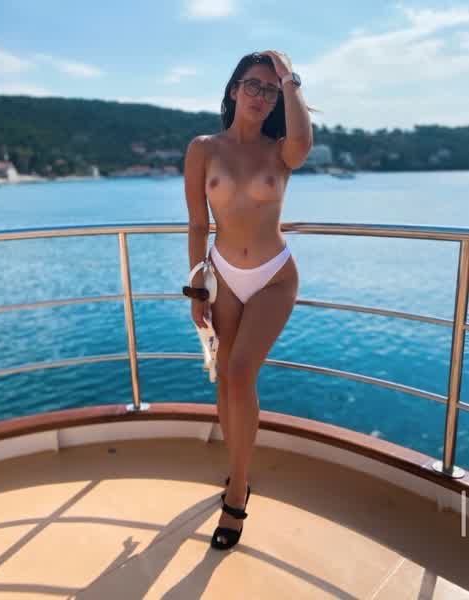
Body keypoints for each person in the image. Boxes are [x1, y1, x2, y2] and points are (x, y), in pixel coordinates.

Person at [183, 50, 315, 550]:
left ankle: (237, 490)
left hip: (273, 277)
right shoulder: (203, 148)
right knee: (226, 381)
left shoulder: (282, 150)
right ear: (234, 89)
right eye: (253, 85)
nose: (261, 96)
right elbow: (198, 224)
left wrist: (290, 77)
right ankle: (236, 465)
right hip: (221, 276)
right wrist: (197, 285)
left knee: (240, 372)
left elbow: (304, 143)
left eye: (271, 90)